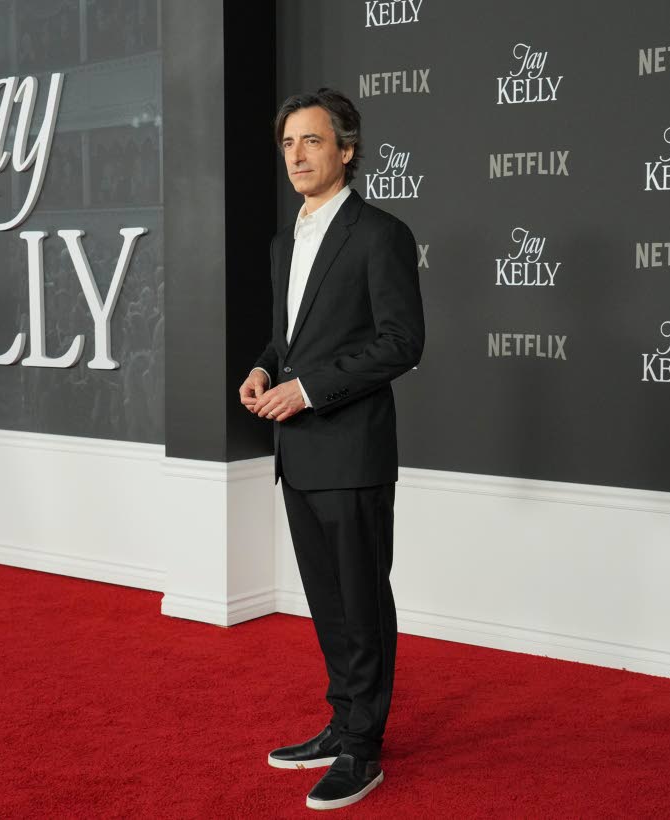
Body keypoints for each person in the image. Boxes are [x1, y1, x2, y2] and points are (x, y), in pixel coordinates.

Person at [238, 88, 424, 811]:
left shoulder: (381, 233)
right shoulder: (289, 239)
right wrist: (264, 366)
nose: (297, 157)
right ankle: (343, 720)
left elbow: (402, 341)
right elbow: (293, 336)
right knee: (327, 603)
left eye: (312, 142)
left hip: (351, 448)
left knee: (361, 600)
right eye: (288, 144)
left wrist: (309, 389)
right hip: (300, 452)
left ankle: (363, 749)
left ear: (346, 149)